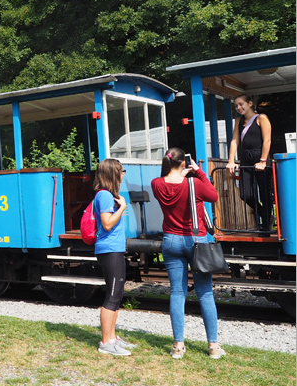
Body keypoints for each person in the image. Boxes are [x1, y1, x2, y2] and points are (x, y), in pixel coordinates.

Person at [152, 147, 225, 359]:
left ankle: (178, 346)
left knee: (177, 292)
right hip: (197, 241)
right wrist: (199, 171)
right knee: (205, 292)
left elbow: (169, 183)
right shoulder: (194, 184)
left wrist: (180, 172)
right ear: (184, 163)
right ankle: (213, 346)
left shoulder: (157, 184)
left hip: (171, 241)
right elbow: (213, 196)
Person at [92, 159, 135, 357]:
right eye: (121, 171)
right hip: (109, 250)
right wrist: (122, 208)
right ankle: (106, 341)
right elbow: (107, 224)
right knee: (111, 297)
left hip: (113, 250)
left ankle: (113, 337)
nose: (123, 174)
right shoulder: (105, 196)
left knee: (116, 296)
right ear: (112, 174)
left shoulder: (107, 195)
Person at [225, 94, 274, 230]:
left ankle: (265, 227)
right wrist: (231, 161)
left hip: (260, 156)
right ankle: (266, 217)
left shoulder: (261, 118)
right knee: (245, 194)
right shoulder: (239, 121)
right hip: (245, 158)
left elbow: (267, 140)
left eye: (241, 104)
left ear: (250, 103)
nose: (239, 108)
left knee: (264, 193)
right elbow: (235, 140)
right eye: (236, 106)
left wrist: (263, 161)